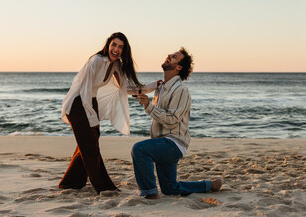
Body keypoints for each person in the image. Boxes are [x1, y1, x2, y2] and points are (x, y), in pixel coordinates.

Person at [59, 32, 147, 194]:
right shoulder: (96, 60)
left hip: (90, 103)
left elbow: (126, 89)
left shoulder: (116, 66)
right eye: (114, 45)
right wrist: (91, 114)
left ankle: (70, 182)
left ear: (124, 50)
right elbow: (84, 89)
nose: (116, 49)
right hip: (78, 104)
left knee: (87, 144)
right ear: (108, 45)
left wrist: (154, 86)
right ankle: (103, 186)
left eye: (120, 47)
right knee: (90, 145)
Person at [132, 47, 222, 199]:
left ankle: (150, 193)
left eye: (174, 57)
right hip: (162, 142)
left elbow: (173, 119)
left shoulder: (180, 89)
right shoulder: (160, 88)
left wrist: (149, 106)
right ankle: (209, 185)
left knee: (139, 150)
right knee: (169, 188)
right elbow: (135, 91)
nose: (168, 56)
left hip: (174, 143)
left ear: (179, 67)